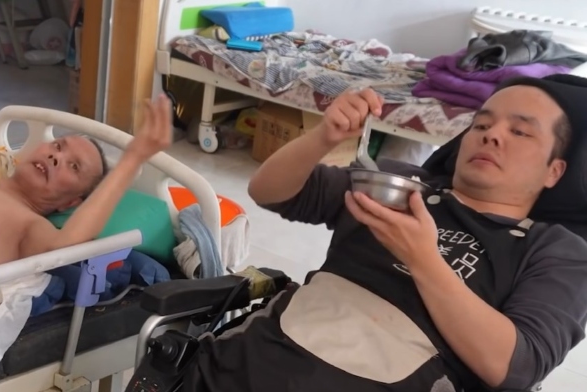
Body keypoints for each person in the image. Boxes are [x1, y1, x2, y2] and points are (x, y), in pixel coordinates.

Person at [184, 77, 587, 392]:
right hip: (250, 362)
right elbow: (269, 192)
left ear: (555, 171)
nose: (491, 134)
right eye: (481, 123)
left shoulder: (556, 250)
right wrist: (325, 136)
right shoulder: (399, 185)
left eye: (520, 132)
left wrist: (424, 260)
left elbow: (515, 365)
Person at [0, 95, 173, 267]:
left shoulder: (29, 226)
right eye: (58, 146)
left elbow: (62, 247)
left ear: (70, 204)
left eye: (74, 166)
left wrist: (133, 159)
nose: (56, 157)